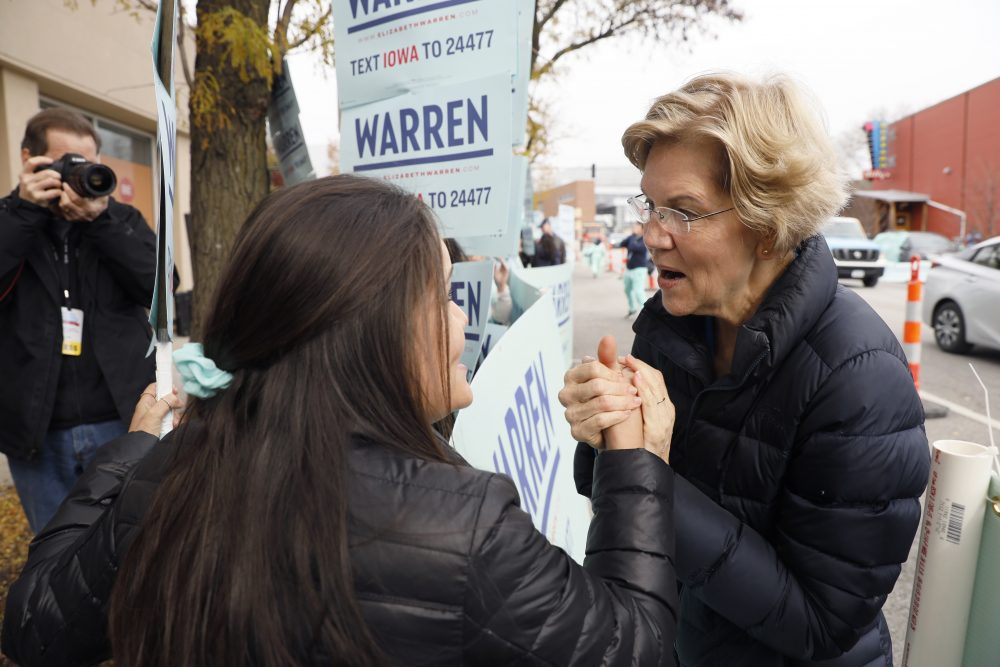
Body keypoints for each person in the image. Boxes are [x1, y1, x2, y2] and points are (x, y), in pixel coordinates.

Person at [2, 175, 679, 667]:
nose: (462, 318)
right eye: (442, 295)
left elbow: (33, 625)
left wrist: (135, 452)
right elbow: (633, 645)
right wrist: (633, 460)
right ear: (370, 334)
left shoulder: (173, 472)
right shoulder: (466, 525)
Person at [558, 72, 930, 666]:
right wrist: (606, 430)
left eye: (683, 211)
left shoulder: (859, 379)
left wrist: (650, 472)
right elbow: (629, 493)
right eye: (649, 206)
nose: (652, 235)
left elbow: (821, 625)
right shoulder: (675, 327)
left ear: (766, 225)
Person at [0, 107, 156, 533]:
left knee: (131, 544)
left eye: (86, 164)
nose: (77, 174)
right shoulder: (8, 219)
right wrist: (25, 213)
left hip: (121, 420)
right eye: (65, 163)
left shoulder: (120, 219)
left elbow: (161, 287)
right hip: (38, 433)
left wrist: (101, 221)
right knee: (55, 552)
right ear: (29, 159)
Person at [618, 222, 649, 316]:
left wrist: (631, 240)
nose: (634, 228)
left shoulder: (645, 239)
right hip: (629, 269)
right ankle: (632, 308)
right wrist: (631, 236)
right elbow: (622, 244)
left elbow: (635, 247)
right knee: (627, 290)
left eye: (636, 226)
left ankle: (647, 313)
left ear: (642, 228)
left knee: (638, 291)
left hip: (639, 269)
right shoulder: (632, 237)